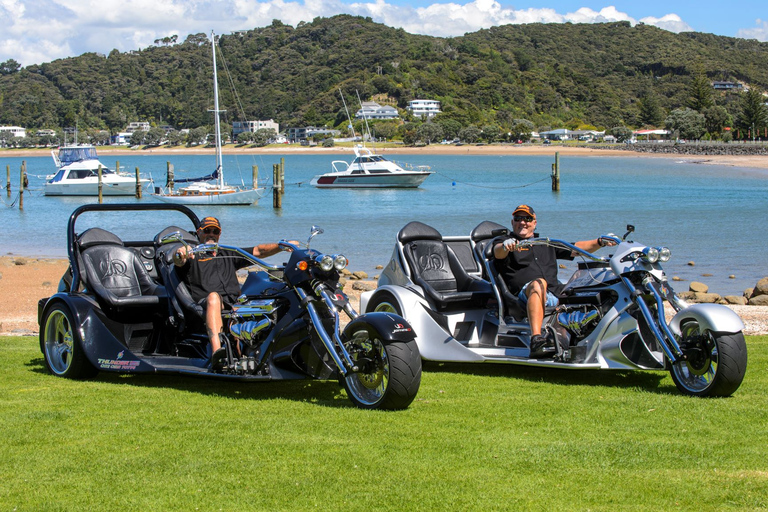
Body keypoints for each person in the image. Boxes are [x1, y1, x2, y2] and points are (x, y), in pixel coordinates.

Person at [493, 205, 615, 358]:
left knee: (592, 281)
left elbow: (575, 248)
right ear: (512, 223)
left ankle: (601, 337)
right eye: (518, 218)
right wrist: (506, 246)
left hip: (555, 292)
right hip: (524, 295)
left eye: (527, 219)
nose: (523, 222)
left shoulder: (544, 243)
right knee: (539, 283)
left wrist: (600, 241)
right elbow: (498, 252)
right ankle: (536, 339)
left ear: (534, 223)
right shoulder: (505, 242)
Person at [172, 216, 286, 360]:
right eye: (207, 230)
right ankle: (217, 353)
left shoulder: (227, 253)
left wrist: (281, 246)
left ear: (219, 234)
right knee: (214, 297)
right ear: (199, 232)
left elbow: (259, 251)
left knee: (269, 293)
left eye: (215, 231)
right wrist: (181, 253)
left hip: (234, 304)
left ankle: (264, 354)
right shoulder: (194, 255)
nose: (211, 234)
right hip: (207, 305)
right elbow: (178, 261)